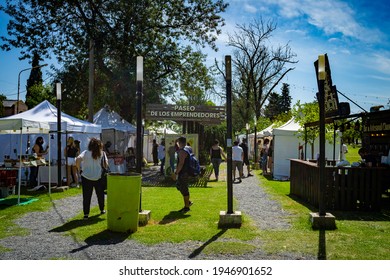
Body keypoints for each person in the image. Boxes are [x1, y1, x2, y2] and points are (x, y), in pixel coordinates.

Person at [76, 138, 108, 220]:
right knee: (100, 195)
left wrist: (79, 169)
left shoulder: (86, 153)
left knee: (86, 196)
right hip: (98, 177)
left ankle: (86, 214)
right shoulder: (102, 153)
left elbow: (78, 159)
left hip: (86, 177)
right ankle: (102, 209)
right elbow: (106, 164)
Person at [173, 136, 193, 213]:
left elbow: (181, 163)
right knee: (179, 186)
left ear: (179, 142)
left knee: (184, 189)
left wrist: (176, 173)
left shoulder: (182, 151)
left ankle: (187, 207)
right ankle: (188, 202)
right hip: (186, 171)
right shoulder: (188, 148)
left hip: (184, 172)